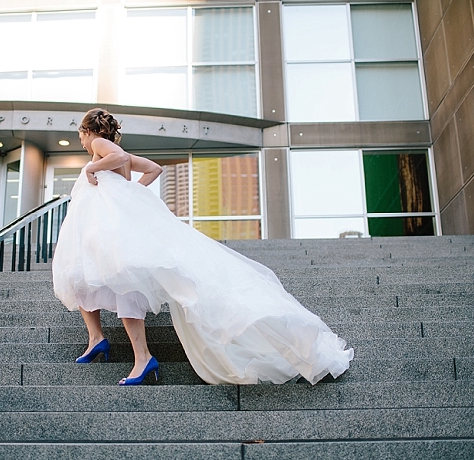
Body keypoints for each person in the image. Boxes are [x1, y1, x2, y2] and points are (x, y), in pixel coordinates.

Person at [52, 108, 353, 386]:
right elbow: (154, 168)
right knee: (88, 280)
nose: (81, 140)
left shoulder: (99, 147)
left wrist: (94, 171)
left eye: (80, 134)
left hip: (111, 230)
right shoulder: (115, 152)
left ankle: (131, 354)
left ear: (87, 131)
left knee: (99, 281)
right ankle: (103, 342)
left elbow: (116, 158)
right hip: (110, 228)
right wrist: (127, 192)